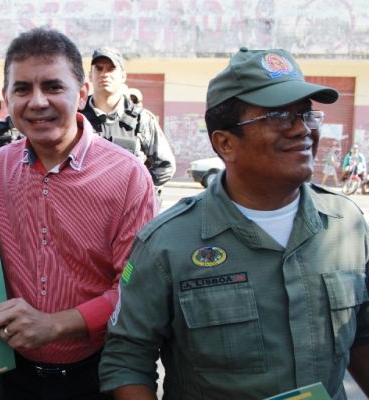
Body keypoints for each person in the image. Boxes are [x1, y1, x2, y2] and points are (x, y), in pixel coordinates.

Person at [99, 47, 369, 399]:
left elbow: (362, 333)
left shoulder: (346, 224)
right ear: (225, 143)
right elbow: (127, 360)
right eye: (278, 116)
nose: (302, 129)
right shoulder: (167, 244)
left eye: (305, 114)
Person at [0, 28, 158, 400]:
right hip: (15, 376)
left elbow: (137, 291)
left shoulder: (126, 176)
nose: (37, 101)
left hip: (100, 372)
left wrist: (55, 325)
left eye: (53, 87)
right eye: (22, 89)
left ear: (82, 93)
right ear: (7, 98)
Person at [80, 47, 176, 187]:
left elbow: (165, 166)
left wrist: (138, 190)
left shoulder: (142, 120)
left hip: (127, 201)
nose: (104, 74)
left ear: (123, 76)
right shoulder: (76, 117)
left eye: (111, 69)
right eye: (99, 69)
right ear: (90, 75)